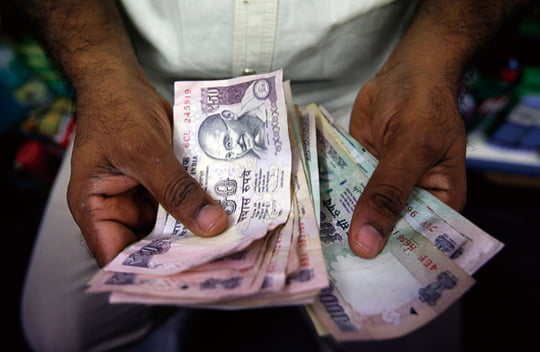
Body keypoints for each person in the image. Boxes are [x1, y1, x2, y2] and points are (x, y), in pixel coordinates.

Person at [13, 0, 531, 351]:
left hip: (366, 100)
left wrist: (434, 63)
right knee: (60, 333)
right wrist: (100, 77)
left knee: (402, 330)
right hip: (148, 102)